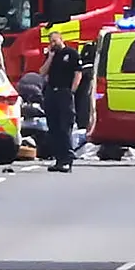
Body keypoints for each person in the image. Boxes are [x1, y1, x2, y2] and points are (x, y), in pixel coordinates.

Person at [38, 31, 81, 172]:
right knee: (53, 127)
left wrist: (72, 91)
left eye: (54, 41)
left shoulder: (71, 54)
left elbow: (78, 73)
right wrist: (50, 57)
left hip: (64, 92)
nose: (52, 44)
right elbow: (42, 72)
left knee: (64, 126)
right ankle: (58, 159)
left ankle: (67, 160)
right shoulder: (51, 55)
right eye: (50, 42)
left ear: (61, 39)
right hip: (52, 92)